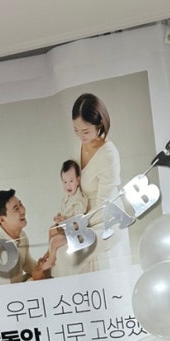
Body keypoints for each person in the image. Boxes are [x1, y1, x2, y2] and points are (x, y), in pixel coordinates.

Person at [52, 92, 131, 277]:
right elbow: (75, 186)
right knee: (55, 243)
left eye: (85, 131)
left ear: (100, 124)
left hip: (105, 221)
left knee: (67, 256)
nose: (80, 136)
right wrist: (67, 216)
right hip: (83, 216)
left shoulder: (108, 155)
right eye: (76, 130)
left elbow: (103, 205)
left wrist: (75, 226)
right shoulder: (80, 145)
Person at [0, 189, 52, 284]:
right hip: (5, 291)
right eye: (16, 209)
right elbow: (3, 290)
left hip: (19, 285)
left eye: (20, 204)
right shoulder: (0, 251)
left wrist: (40, 268)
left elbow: (26, 262)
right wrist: (35, 279)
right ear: (2, 220)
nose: (22, 211)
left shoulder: (21, 235)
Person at [47, 159, 88, 266]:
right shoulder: (67, 198)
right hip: (65, 228)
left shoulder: (79, 201)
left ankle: (51, 261)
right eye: (65, 182)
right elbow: (64, 212)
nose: (68, 186)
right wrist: (59, 217)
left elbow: (78, 223)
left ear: (78, 180)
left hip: (75, 232)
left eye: (71, 181)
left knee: (55, 241)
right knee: (51, 230)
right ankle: (49, 253)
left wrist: (64, 221)